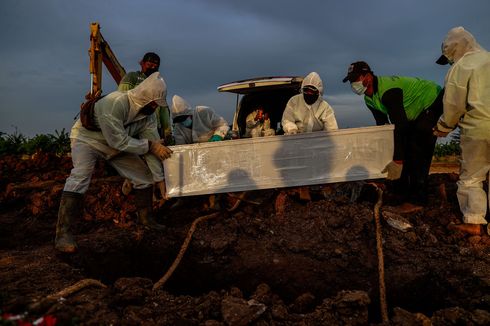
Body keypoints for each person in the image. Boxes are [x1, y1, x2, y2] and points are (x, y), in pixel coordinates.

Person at [55, 72, 173, 253]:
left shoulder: (149, 116)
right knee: (80, 177)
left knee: (144, 178)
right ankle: (63, 234)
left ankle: (146, 220)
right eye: (154, 103)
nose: (156, 107)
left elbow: (153, 147)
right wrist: (150, 146)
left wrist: (159, 179)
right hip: (87, 141)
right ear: (145, 97)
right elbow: (119, 141)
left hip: (119, 145)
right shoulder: (115, 103)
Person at [342, 61, 443, 212]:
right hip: (413, 113)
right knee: (406, 147)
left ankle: (417, 200)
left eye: (356, 78)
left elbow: (400, 127)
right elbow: (383, 128)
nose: (353, 83)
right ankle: (402, 191)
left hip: (432, 100)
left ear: (368, 77)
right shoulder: (369, 99)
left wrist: (397, 160)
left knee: (418, 149)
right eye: (351, 80)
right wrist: (382, 157)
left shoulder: (389, 92)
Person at [433, 27, 490, 236]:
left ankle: (474, 221)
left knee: (472, 176)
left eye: (449, 56)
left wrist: (444, 126)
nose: (449, 60)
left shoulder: (461, 67)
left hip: (478, 127)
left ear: (455, 49)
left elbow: (454, 104)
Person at [118, 52, 172, 143]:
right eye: (149, 65)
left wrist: (167, 131)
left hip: (155, 127)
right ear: (142, 63)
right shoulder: (132, 77)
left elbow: (163, 109)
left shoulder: (158, 83)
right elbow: (121, 98)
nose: (153, 67)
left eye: (156, 66)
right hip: (135, 125)